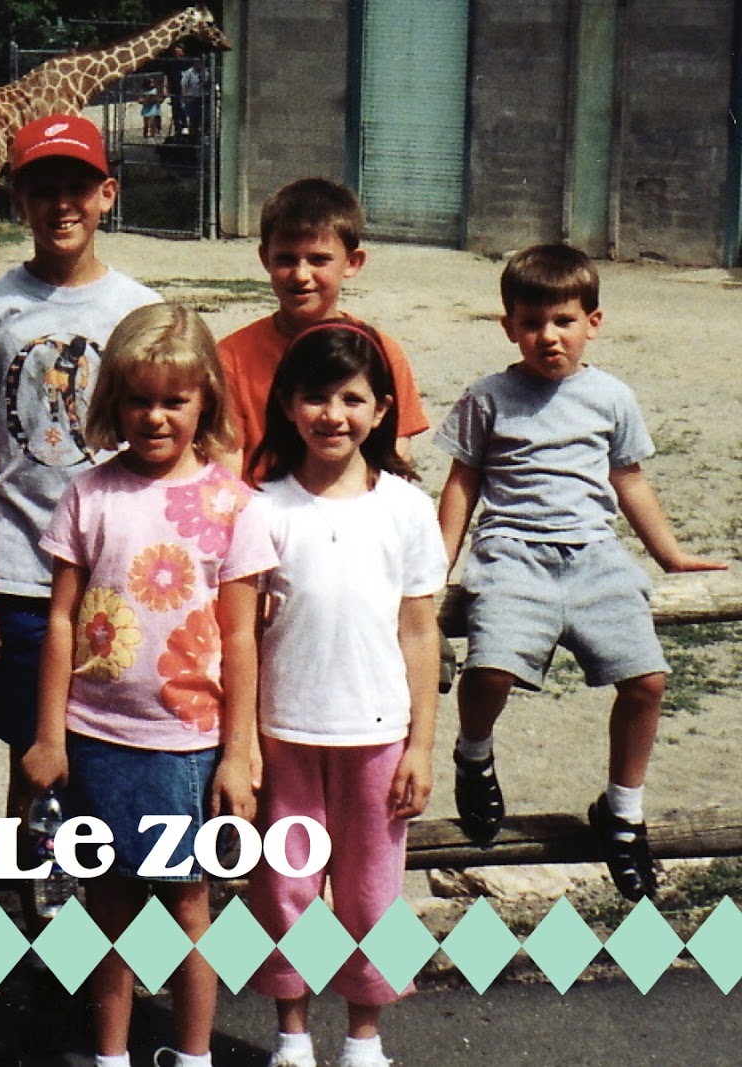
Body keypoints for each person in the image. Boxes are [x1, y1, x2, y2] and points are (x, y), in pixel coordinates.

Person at [24, 302, 274, 1067]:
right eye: (139, 399)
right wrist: (49, 735)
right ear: (113, 401)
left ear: (206, 400)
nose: (156, 416)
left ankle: (192, 1055)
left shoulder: (234, 506)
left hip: (187, 746)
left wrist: (239, 753)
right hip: (98, 738)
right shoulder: (89, 496)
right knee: (109, 907)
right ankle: (111, 1055)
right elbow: (61, 620)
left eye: (175, 399)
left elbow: (241, 637)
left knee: (189, 905)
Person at [437, 242, 726, 901]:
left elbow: (630, 478)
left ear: (592, 322)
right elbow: (462, 484)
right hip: (513, 555)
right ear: (509, 326)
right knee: (489, 670)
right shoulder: (488, 397)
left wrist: (671, 555)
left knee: (648, 680)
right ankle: (474, 756)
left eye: (564, 320)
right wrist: (437, 565)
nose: (549, 336)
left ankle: (622, 813)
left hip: (594, 557)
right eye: (532, 322)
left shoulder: (610, 397)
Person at [0, 112, 160, 934]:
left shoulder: (140, 310)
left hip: (119, 574)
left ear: (107, 194)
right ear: (18, 202)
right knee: (36, 759)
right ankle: (40, 937)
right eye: (42, 190)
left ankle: (112, 945)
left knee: (116, 751)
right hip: (23, 572)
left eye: (77, 187)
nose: (61, 204)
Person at [243, 321, 443, 1067]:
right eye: (316, 397)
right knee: (285, 887)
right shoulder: (262, 507)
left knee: (371, 895)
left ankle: (365, 1039)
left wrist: (421, 745)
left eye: (352, 399)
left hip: (378, 734)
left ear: (382, 409)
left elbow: (419, 630)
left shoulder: (406, 508)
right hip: (285, 733)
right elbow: (242, 633)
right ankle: (292, 1036)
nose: (333, 415)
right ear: (287, 405)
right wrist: (244, 743)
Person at [218, 178, 429, 481]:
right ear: (265, 258)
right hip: (261, 505)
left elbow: (393, 459)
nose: (301, 275)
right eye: (286, 259)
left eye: (319, 260)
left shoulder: (380, 353)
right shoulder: (231, 358)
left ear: (352, 262)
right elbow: (226, 472)